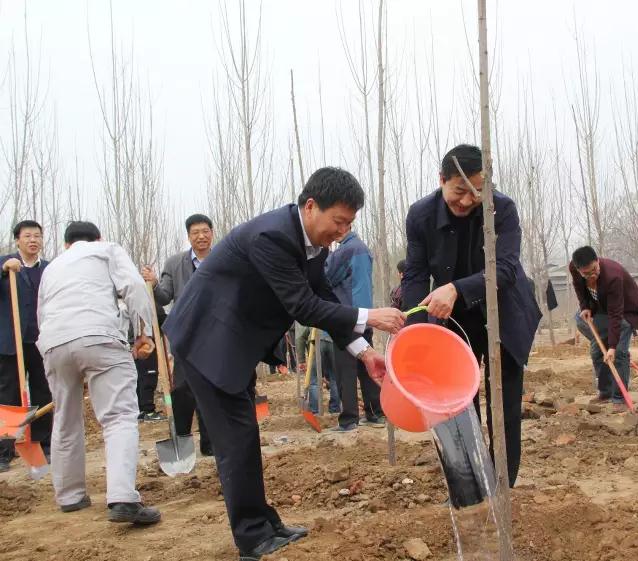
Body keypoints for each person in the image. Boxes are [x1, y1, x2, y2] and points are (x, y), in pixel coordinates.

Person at [162, 167, 405, 560]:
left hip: (230, 344)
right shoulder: (272, 236)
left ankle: (264, 523)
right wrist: (370, 316)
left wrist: (366, 352)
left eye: (348, 224)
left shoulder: (311, 245)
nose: (341, 232)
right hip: (207, 340)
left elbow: (326, 298)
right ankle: (252, 538)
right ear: (311, 207)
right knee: (235, 442)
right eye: (338, 221)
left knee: (244, 438)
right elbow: (303, 306)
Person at [402, 144, 541, 488]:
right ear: (441, 180)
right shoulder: (421, 215)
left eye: (477, 191)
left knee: (504, 403)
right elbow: (417, 274)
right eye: (459, 191)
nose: (466, 200)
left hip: (502, 311)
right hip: (456, 319)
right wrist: (414, 330)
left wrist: (458, 288)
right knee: (458, 404)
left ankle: (502, 486)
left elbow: (507, 268)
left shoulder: (502, 209)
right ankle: (471, 486)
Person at [37, 221, 160, 524]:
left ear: (66, 245)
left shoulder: (51, 268)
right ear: (97, 238)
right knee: (118, 416)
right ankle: (121, 498)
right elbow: (132, 287)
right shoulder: (106, 250)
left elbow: (41, 312)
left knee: (65, 418)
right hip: (99, 336)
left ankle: (70, 496)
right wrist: (143, 333)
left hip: (54, 343)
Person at [142, 214, 213, 455]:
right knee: (182, 387)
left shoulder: (222, 259)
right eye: (196, 232)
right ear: (189, 236)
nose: (201, 236)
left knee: (210, 388)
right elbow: (164, 296)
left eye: (205, 231)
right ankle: (182, 438)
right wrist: (152, 284)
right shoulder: (174, 264)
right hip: (186, 334)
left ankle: (210, 443)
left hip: (215, 334)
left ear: (211, 233)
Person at [0, 220, 52, 473]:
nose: (33, 240)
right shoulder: (6, 264)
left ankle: (43, 443)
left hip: (40, 340)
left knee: (44, 391)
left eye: (37, 236)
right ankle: (4, 450)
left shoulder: (50, 269)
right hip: (11, 342)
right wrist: (3, 270)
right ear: (17, 240)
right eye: (27, 236)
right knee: (8, 396)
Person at [570, 246, 638, 412]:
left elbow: (616, 315)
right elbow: (579, 287)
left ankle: (619, 398)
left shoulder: (613, 277)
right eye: (586, 273)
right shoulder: (574, 268)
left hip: (625, 312)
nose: (591, 275)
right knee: (596, 350)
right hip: (601, 309)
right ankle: (606, 392)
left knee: (620, 354)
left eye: (594, 269)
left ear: (597, 261)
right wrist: (585, 306)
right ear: (578, 269)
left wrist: (613, 347)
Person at [326, 230, 384, 430]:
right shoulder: (364, 249)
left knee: (345, 372)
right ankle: (376, 413)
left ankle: (349, 420)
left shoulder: (345, 251)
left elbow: (326, 279)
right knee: (367, 369)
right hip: (366, 318)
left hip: (347, 319)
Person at [296, 325, 341, 414]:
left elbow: (300, 338)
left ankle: (315, 410)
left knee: (314, 380)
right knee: (335, 379)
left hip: (316, 342)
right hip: (333, 343)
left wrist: (301, 360)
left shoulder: (310, 314)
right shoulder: (333, 313)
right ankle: (335, 409)